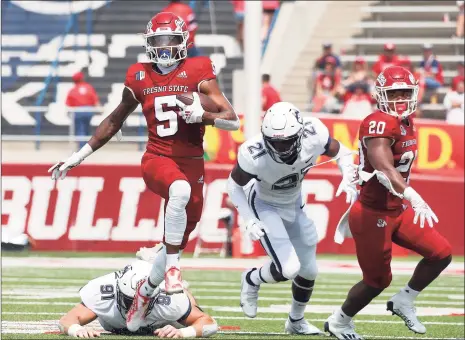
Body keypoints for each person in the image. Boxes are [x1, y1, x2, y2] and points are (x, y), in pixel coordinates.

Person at [49, 12, 239, 333]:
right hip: (157, 157)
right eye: (158, 42)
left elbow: (232, 119)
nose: (164, 49)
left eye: (170, 42)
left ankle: (146, 291)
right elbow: (114, 119)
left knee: (175, 239)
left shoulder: (198, 69)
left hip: (193, 162)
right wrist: (78, 156)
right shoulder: (139, 75)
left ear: (183, 42)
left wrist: (202, 115)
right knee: (178, 194)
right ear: (148, 44)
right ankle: (173, 274)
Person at [324, 66, 452, 340]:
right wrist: (413, 196)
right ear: (381, 95)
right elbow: (383, 168)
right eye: (394, 93)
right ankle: (339, 321)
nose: (400, 99)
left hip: (396, 209)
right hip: (372, 213)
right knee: (378, 281)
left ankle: (405, 300)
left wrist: (405, 199)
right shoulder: (378, 122)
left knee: (441, 252)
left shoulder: (406, 121)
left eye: (405, 92)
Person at [227, 102, 358, 334]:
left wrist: (347, 175)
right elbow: (234, 185)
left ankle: (295, 321)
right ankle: (252, 278)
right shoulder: (253, 153)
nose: (280, 146)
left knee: (309, 270)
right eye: (275, 141)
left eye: (286, 140)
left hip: (294, 203)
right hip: (265, 204)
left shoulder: (313, 132)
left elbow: (343, 152)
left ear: (299, 133)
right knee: (289, 269)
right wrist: (249, 219)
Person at [58, 247, 217, 338]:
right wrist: (77, 329)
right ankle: (153, 260)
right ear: (117, 291)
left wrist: (182, 332)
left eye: (143, 299)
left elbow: (209, 323)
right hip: (112, 323)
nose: (135, 306)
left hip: (160, 319)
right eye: (129, 300)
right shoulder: (105, 290)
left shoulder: (168, 299)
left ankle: (159, 265)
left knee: (182, 294)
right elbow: (66, 320)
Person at [65, 72, 100, 149]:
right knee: (86, 129)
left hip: (78, 111)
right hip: (88, 110)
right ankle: (87, 147)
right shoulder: (89, 87)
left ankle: (82, 149)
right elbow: (95, 100)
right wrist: (99, 109)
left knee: (80, 130)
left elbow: (68, 104)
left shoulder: (73, 90)